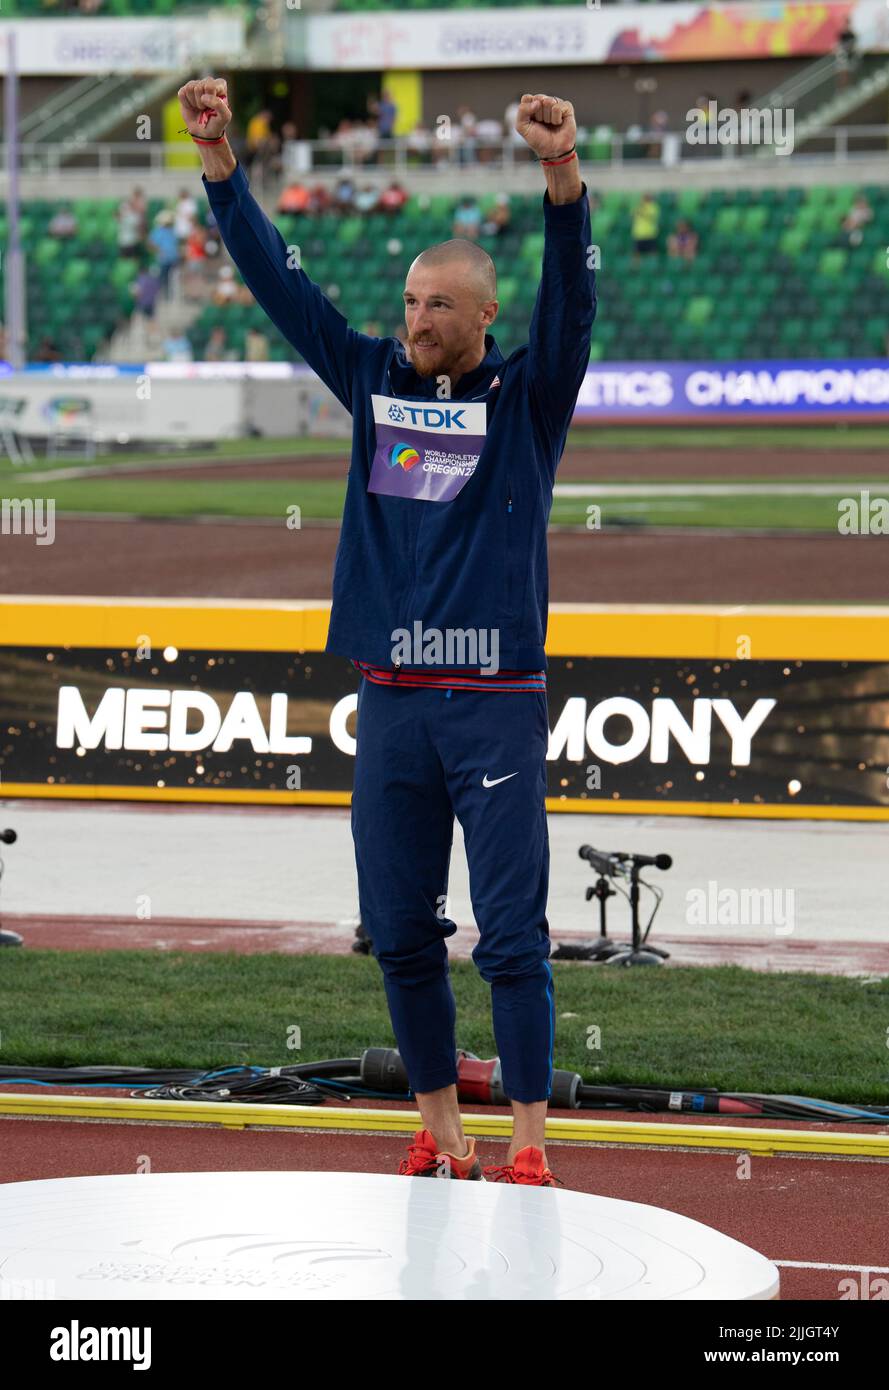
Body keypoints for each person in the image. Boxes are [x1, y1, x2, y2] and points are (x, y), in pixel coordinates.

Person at [178, 77, 596, 1187]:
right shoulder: (368, 378)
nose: (414, 321)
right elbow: (280, 286)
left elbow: (573, 308)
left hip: (496, 706)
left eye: (438, 307)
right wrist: (221, 164)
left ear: (482, 318)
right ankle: (437, 1132)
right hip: (394, 705)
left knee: (512, 940)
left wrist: (562, 181)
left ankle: (526, 1146)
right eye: (409, 303)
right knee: (401, 936)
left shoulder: (527, 400)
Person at [632, 192, 660, 258]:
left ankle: (654, 267)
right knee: (636, 254)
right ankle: (635, 268)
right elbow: (632, 215)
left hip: (650, 234)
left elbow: (651, 217)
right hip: (639, 234)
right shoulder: (638, 206)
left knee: (652, 253)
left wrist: (641, 211)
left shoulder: (654, 206)